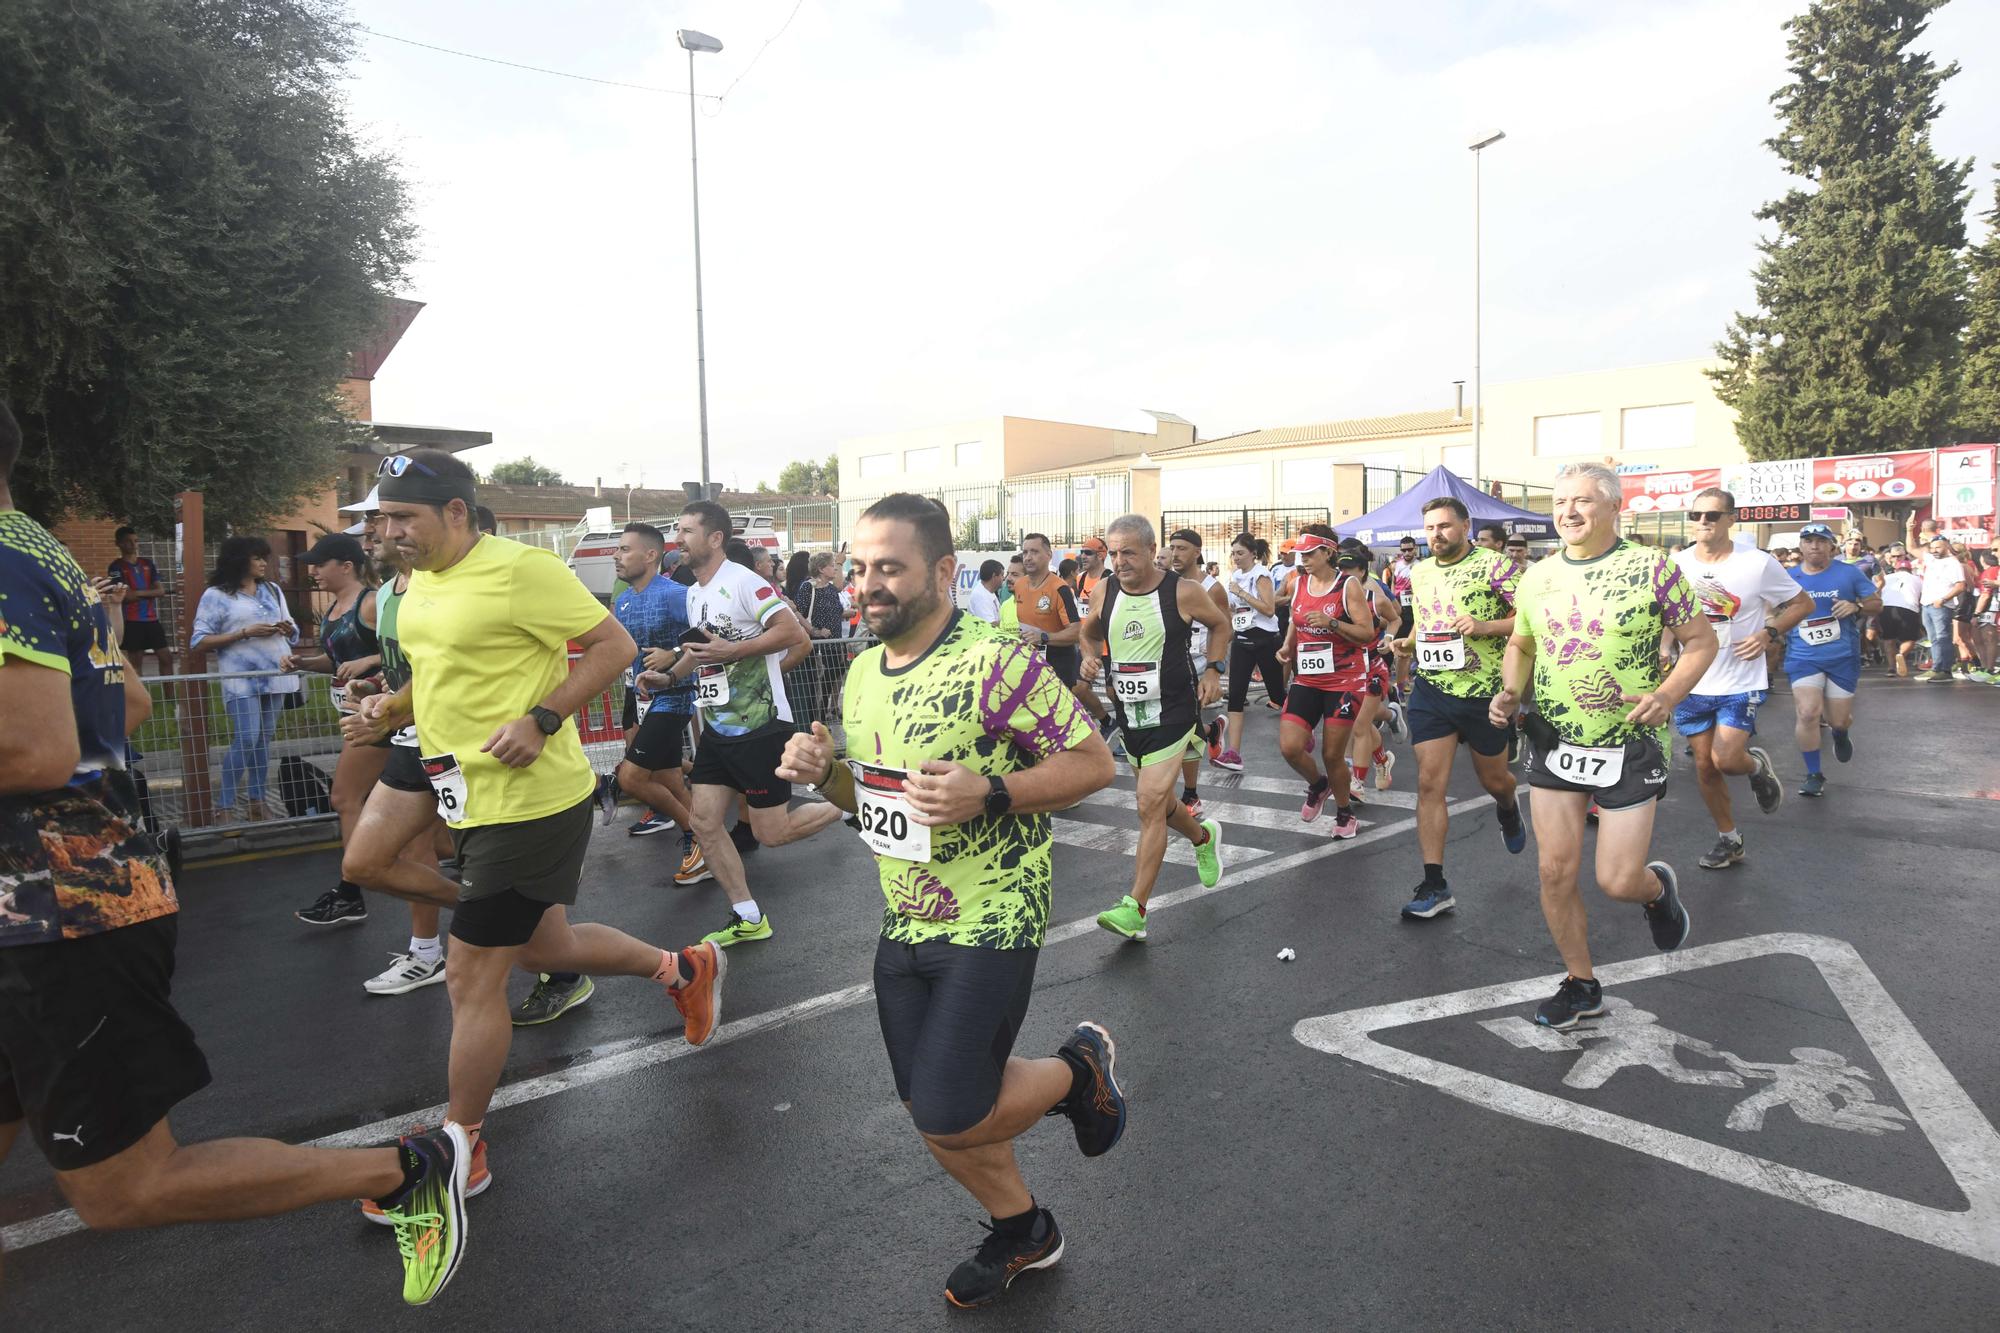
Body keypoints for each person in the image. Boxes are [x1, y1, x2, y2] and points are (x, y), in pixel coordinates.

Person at [0, 404, 470, 1304]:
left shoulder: (10, 558)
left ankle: (402, 1169)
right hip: (52, 905)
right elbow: (131, 704)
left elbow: (34, 750)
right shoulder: (39, 549)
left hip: (61, 913)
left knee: (124, 1189)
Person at [341, 449, 725, 1216]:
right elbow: (439, 668)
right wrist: (391, 708)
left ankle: (462, 1147)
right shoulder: (417, 587)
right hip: (453, 781)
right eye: (384, 518)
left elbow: (613, 648)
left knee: (469, 974)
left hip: (527, 798)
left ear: (455, 512)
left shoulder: (523, 570)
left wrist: (545, 716)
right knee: (524, 937)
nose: (390, 532)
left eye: (404, 517)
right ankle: (683, 969)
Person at [772, 493, 1124, 1309]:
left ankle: (1077, 1073)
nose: (869, 585)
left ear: (941, 571)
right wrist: (822, 770)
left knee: (952, 1106)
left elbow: (1093, 764)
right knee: (929, 1110)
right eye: (860, 569)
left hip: (993, 913)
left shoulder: (995, 658)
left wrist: (991, 792)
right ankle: (1024, 1228)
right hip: (905, 913)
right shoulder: (860, 672)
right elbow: (873, 806)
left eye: (889, 568)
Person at [1489, 461, 1714, 1030]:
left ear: (1615, 508)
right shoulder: (1537, 576)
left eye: (1583, 501)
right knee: (1554, 871)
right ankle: (1581, 983)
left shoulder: (1652, 568)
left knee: (1616, 880)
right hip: (1554, 736)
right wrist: (1510, 691)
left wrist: (1667, 695)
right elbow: (1520, 642)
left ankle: (1656, 890)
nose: (1568, 511)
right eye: (1560, 502)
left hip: (1631, 741)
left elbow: (1700, 643)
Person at [657, 500, 847, 935]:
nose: (678, 539)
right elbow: (699, 652)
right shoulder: (694, 592)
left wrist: (734, 651)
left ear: (715, 538)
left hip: (761, 725)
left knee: (770, 833)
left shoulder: (743, 582)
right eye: (677, 530)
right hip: (718, 728)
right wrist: (667, 678)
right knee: (704, 823)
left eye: (687, 531)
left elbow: (791, 633)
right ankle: (748, 916)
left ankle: (845, 804)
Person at [1082, 516, 1230, 941]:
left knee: (1148, 803)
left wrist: (1215, 670)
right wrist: (1089, 656)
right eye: (1113, 552)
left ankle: (1136, 909)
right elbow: (1088, 632)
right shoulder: (1104, 589)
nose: (1119, 560)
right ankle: (1203, 837)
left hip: (1175, 711)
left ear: (1151, 550)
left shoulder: (1182, 591)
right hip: (1130, 712)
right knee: (1160, 804)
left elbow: (1220, 624)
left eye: (1128, 551)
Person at [337, 519, 460, 1002]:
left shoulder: (443, 588)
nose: (372, 539)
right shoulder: (388, 593)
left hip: (461, 744)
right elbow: (405, 672)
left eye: (381, 529)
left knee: (491, 862)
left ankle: (556, 965)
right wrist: (377, 691)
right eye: (371, 531)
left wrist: (388, 711)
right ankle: (437, 945)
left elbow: (449, 672)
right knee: (365, 862)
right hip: (411, 740)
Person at [1389, 497, 1527, 920]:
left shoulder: (1495, 566)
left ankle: (1508, 806)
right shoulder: (1420, 570)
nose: (1437, 535)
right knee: (1430, 784)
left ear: (1466, 526)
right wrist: (1408, 643)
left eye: (1446, 526)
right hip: (1433, 690)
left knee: (1496, 780)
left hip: (1485, 694)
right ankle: (1435, 884)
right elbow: (1428, 619)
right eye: (1430, 528)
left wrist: (1487, 627)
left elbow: (1531, 619)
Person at [1668, 492, 1811, 862]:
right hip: (1694, 680)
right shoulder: (1677, 563)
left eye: (1712, 515)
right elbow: (1670, 614)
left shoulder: (1757, 563)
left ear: (1731, 519)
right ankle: (1729, 839)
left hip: (1740, 678)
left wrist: (1769, 633)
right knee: (1703, 765)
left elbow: (1802, 603)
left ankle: (1756, 765)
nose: (1703, 521)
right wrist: (1665, 647)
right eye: (1696, 514)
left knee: (1728, 759)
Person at [287, 532, 391, 926]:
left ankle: (350, 891)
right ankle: (475, 869)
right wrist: (301, 663)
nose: (312, 571)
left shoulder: (372, 603)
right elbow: (335, 662)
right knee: (420, 821)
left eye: (319, 563)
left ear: (346, 566)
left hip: (379, 712)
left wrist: (369, 661)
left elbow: (408, 649)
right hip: (352, 714)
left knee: (345, 797)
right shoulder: (333, 608)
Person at [610, 522, 699, 888]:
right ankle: (706, 850)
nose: (616, 556)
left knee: (631, 777)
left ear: (651, 555)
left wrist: (674, 654)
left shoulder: (677, 594)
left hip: (675, 698)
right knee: (669, 782)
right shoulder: (625, 600)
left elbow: (709, 638)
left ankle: (700, 838)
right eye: (617, 549)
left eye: (625, 549)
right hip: (642, 698)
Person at [1271, 529, 1376, 838]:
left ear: (1328, 553)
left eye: (1310, 554)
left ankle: (1345, 815)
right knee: (1290, 747)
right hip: (1308, 678)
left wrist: (1332, 622)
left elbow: (1366, 633)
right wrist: (1287, 647)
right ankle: (1319, 784)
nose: (1303, 559)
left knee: (1332, 754)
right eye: (1301, 554)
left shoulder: (1348, 585)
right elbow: (1295, 619)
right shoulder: (1298, 582)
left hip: (1344, 680)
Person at [188, 536, 299, 821]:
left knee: (264, 740)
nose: (264, 563)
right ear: (240, 560)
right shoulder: (216, 595)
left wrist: (287, 629)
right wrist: (244, 633)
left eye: (265, 557)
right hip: (241, 679)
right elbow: (198, 641)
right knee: (247, 738)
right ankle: (224, 805)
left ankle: (257, 801)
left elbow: (294, 631)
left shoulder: (272, 590)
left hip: (276, 674)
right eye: (257, 558)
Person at [1783, 522, 1884, 797]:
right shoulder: (1788, 577)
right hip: (1803, 656)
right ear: (1801, 546)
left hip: (1842, 656)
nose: (1814, 545)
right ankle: (1814, 774)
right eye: (1808, 541)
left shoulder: (1848, 573)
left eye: (1820, 541)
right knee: (1807, 713)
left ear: (1831, 546)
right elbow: (1770, 606)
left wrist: (1857, 606)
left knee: (1838, 721)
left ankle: (1840, 733)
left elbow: (1877, 603)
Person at [1164, 528, 1228, 811]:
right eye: (1172, 548)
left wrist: (1214, 669)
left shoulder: (1212, 587)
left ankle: (1190, 794)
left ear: (1197, 552)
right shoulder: (1167, 581)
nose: (1176, 554)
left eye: (1182, 548)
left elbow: (1225, 629)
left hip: (1199, 662)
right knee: (1181, 723)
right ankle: (1211, 730)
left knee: (1182, 723)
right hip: (1171, 661)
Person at [1214, 533, 1285, 771]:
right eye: (1233, 553)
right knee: (1235, 695)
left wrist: (1243, 594)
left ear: (1253, 554)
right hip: (1243, 639)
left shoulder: (1261, 575)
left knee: (1277, 695)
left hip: (1265, 639)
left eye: (1240, 553)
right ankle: (1233, 753)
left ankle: (1301, 731)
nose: (1235, 558)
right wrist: (1232, 609)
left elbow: (1268, 609)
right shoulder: (1235, 576)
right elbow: (1236, 608)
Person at [1011, 532, 1084, 686]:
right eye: (1025, 552)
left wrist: (1044, 637)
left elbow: (1077, 632)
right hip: (1029, 664)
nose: (1028, 557)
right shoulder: (1019, 585)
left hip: (1058, 668)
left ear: (1049, 555)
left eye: (1034, 552)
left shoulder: (1060, 589)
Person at [107, 525, 173, 674]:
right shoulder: (115, 567)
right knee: (136, 664)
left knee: (166, 658)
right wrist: (150, 592)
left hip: (152, 620)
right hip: (132, 621)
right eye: (128, 541)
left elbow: (161, 590)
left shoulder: (147, 564)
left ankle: (170, 698)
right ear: (118, 544)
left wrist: (137, 593)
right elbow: (126, 596)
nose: (133, 545)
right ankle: (140, 697)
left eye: (135, 541)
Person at [1917, 535, 1966, 683]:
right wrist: (1910, 529)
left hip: (1941, 606)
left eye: (1938, 547)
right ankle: (1936, 668)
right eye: (1932, 548)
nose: (1934, 550)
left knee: (1943, 637)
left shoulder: (1953, 563)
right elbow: (1911, 548)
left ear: (1946, 546)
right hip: (1927, 604)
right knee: (1933, 639)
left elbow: (1960, 586)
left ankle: (1946, 670)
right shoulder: (1931, 559)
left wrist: (1943, 599)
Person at [1876, 553, 1925, 676]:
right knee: (1910, 638)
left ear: (1896, 569)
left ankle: (1891, 668)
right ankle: (1901, 655)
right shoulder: (1917, 579)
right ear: (1910, 569)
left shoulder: (1887, 577)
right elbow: (1921, 597)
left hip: (1886, 608)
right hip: (1908, 608)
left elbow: (1878, 591)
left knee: (1888, 639)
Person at [966, 559, 1004, 625]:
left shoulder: (987, 591)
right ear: (994, 576)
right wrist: (1011, 624)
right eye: (1002, 575)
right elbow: (990, 625)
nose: (1003, 578)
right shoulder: (981, 597)